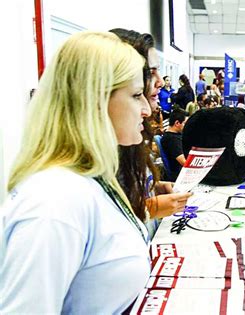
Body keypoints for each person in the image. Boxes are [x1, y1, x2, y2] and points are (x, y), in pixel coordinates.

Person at [1, 31, 151, 313]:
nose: (146, 109)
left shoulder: (90, 179)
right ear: (94, 101)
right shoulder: (56, 199)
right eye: (136, 95)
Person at [110, 29, 192, 233]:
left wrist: (154, 188)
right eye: (150, 72)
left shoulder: (133, 138)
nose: (160, 82)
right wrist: (148, 209)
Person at [161, 108, 189, 181]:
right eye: (185, 123)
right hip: (180, 175)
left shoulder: (173, 135)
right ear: (177, 123)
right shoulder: (172, 140)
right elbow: (184, 163)